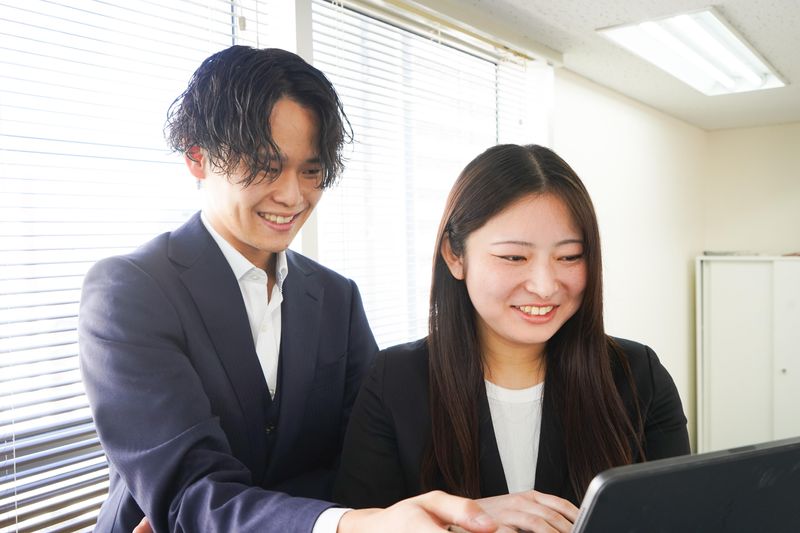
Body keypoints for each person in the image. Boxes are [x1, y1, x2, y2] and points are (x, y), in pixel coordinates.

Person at [79, 45, 499, 533]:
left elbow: (370, 460)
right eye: (265, 165)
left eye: (311, 171)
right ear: (197, 155)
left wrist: (484, 511)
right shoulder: (130, 292)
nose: (292, 195)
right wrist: (341, 523)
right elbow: (189, 490)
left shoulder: (337, 299)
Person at [333, 144, 691, 532]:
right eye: (514, 257)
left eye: (569, 257)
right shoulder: (394, 381)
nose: (544, 285)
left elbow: (680, 522)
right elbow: (363, 523)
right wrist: (465, 520)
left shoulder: (639, 377)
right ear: (455, 256)